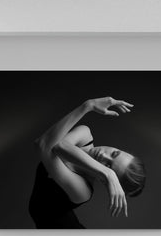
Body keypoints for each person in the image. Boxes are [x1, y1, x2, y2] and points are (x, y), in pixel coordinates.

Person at [29, 96, 146, 228]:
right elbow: (58, 146)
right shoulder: (84, 136)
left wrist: (108, 174)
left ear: (104, 181)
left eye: (108, 165)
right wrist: (88, 105)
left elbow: (43, 144)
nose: (102, 154)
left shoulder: (83, 191)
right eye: (114, 153)